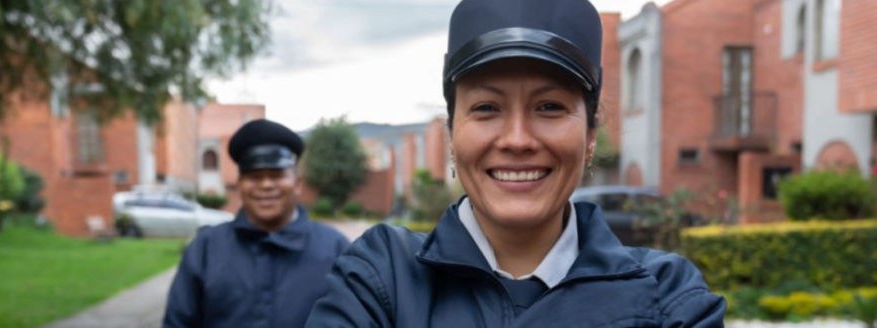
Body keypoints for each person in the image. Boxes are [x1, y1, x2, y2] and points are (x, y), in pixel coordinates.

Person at [304, 0, 727, 327]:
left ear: (591, 138)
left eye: (549, 106)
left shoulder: (667, 296)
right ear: (452, 135)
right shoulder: (382, 279)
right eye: (487, 107)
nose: (518, 140)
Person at [162, 119, 350, 328]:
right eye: (254, 176)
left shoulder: (335, 249)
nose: (266, 185)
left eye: (276, 175)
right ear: (240, 185)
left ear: (297, 184)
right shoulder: (205, 249)